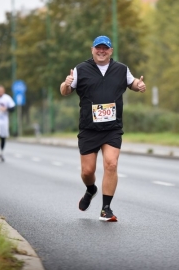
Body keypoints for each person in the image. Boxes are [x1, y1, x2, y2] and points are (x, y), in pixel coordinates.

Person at [60, 36, 146, 222]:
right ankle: (91, 190)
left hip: (112, 128)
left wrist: (139, 85)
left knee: (111, 164)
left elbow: (133, 84)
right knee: (87, 172)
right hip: (89, 129)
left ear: (111, 51)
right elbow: (65, 91)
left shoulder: (121, 69)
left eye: (105, 48)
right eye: (98, 48)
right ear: (92, 50)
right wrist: (66, 83)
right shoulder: (80, 69)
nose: (101, 51)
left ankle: (106, 209)